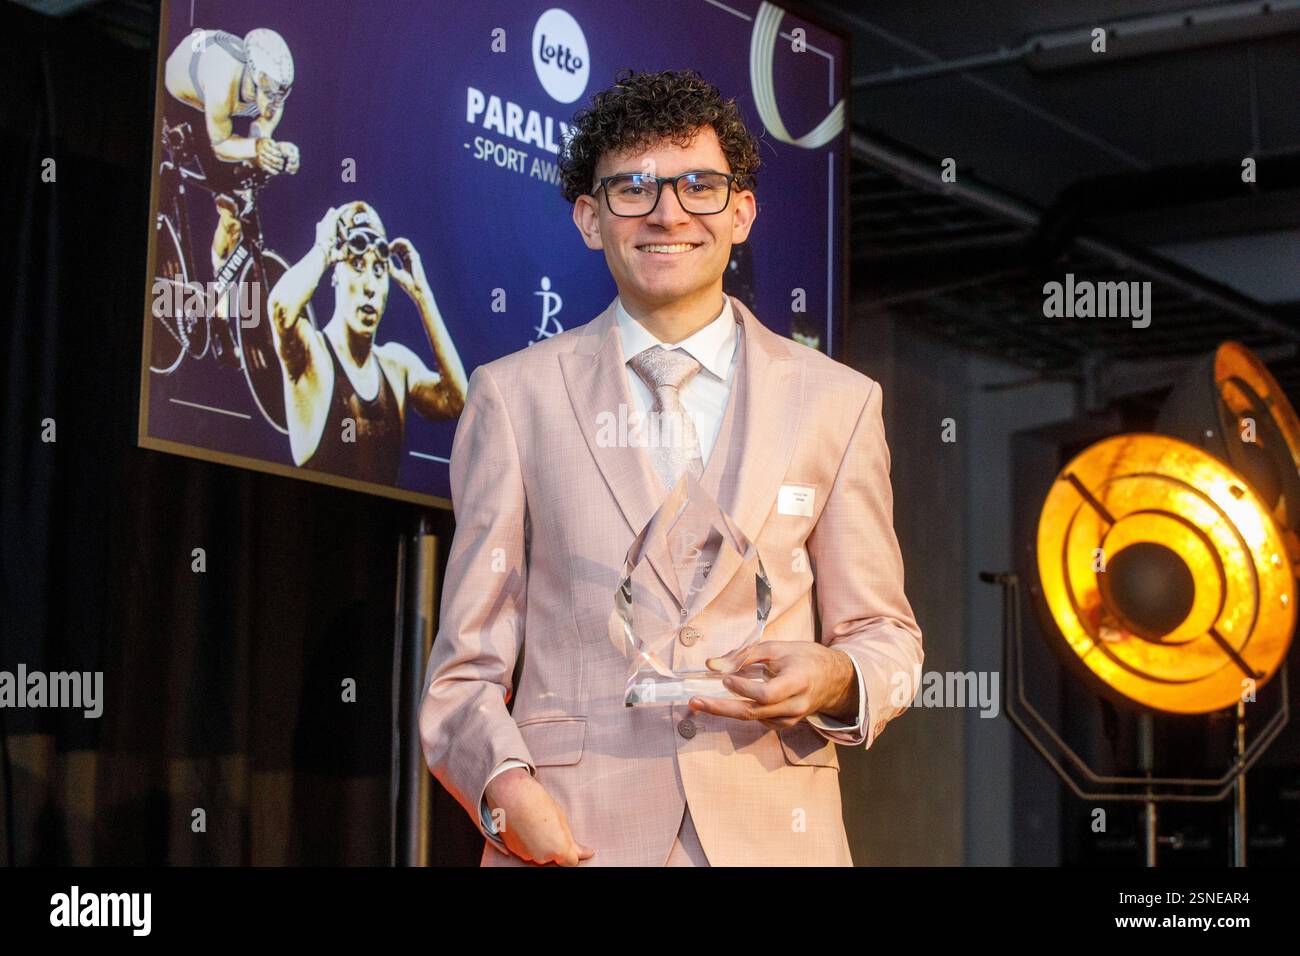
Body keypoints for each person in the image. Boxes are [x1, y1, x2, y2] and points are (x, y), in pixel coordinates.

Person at [419, 69, 923, 866]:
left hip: (777, 834)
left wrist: (833, 675)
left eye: (700, 185)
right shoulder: (513, 399)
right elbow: (464, 672)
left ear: (742, 213)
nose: (668, 213)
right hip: (575, 833)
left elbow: (886, 638)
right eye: (633, 190)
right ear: (590, 218)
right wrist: (508, 794)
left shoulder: (839, 401)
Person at [265, 202, 468, 485]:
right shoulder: (315, 359)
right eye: (357, 265)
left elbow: (459, 402)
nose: (370, 286)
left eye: (378, 270)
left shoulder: (397, 367)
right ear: (335, 273)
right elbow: (279, 309)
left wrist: (423, 297)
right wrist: (322, 250)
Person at [163, 28, 299, 277]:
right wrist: (255, 149)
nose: (274, 105)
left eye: (281, 96)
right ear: (253, 77)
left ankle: (219, 287)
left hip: (209, 98)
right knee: (219, 178)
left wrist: (278, 153)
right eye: (268, 94)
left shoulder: (274, 94)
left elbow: (260, 140)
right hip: (180, 98)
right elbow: (222, 145)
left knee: (236, 205)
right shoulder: (223, 80)